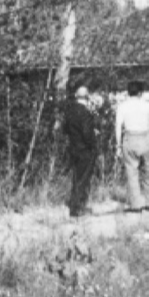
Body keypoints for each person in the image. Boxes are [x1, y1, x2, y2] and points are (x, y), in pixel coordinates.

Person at [113, 80, 149, 212]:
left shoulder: (123, 106)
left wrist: (118, 145)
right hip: (145, 137)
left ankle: (136, 205)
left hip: (130, 137)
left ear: (128, 92)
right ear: (140, 92)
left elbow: (118, 126)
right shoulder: (146, 104)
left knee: (132, 172)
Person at [61, 84, 98, 218]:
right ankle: (76, 209)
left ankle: (74, 205)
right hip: (85, 150)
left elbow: (65, 130)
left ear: (76, 96)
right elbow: (87, 133)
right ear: (87, 97)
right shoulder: (86, 113)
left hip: (73, 148)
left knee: (76, 178)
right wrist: (93, 143)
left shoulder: (69, 111)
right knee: (83, 180)